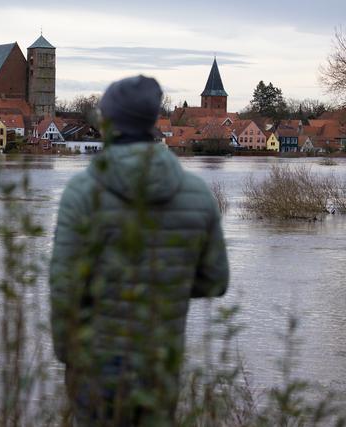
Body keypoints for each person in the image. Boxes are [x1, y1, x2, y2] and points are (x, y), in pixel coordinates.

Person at [49, 76, 229, 426]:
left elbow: (65, 285)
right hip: (159, 360)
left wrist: (67, 355)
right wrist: (165, 282)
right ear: (151, 122)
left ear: (110, 122)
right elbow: (215, 281)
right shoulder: (196, 193)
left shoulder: (83, 192)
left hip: (94, 359)